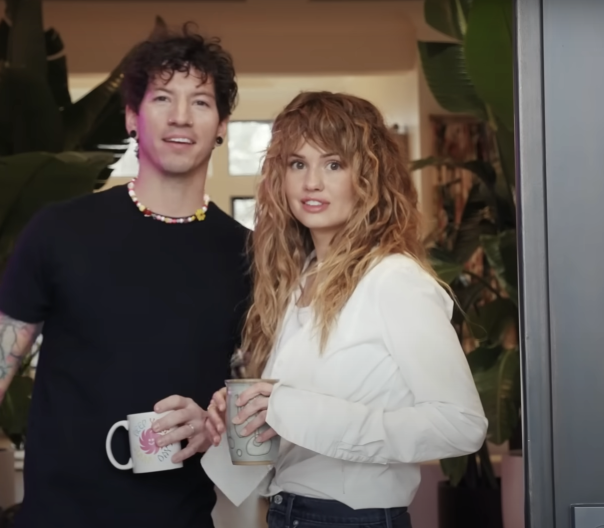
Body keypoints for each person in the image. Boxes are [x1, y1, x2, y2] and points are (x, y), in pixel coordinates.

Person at [0, 24, 251, 528]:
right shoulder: (62, 230)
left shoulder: (248, 254)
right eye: (162, 98)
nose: (181, 116)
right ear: (132, 116)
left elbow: (258, 404)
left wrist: (215, 428)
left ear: (222, 124)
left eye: (200, 102)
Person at [201, 92, 489, 528]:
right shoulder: (297, 281)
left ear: (367, 178)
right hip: (285, 512)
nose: (311, 182)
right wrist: (245, 416)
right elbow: (291, 426)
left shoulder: (394, 280)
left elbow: (462, 424)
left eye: (333, 164)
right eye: (298, 164)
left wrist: (291, 410)